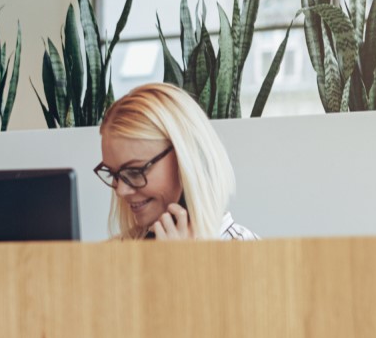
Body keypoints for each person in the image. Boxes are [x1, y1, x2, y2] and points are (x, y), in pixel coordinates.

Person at [95, 82, 258, 240]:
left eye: (135, 171)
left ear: (184, 160)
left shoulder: (247, 251)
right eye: (113, 174)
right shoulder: (115, 254)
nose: (121, 191)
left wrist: (179, 261)